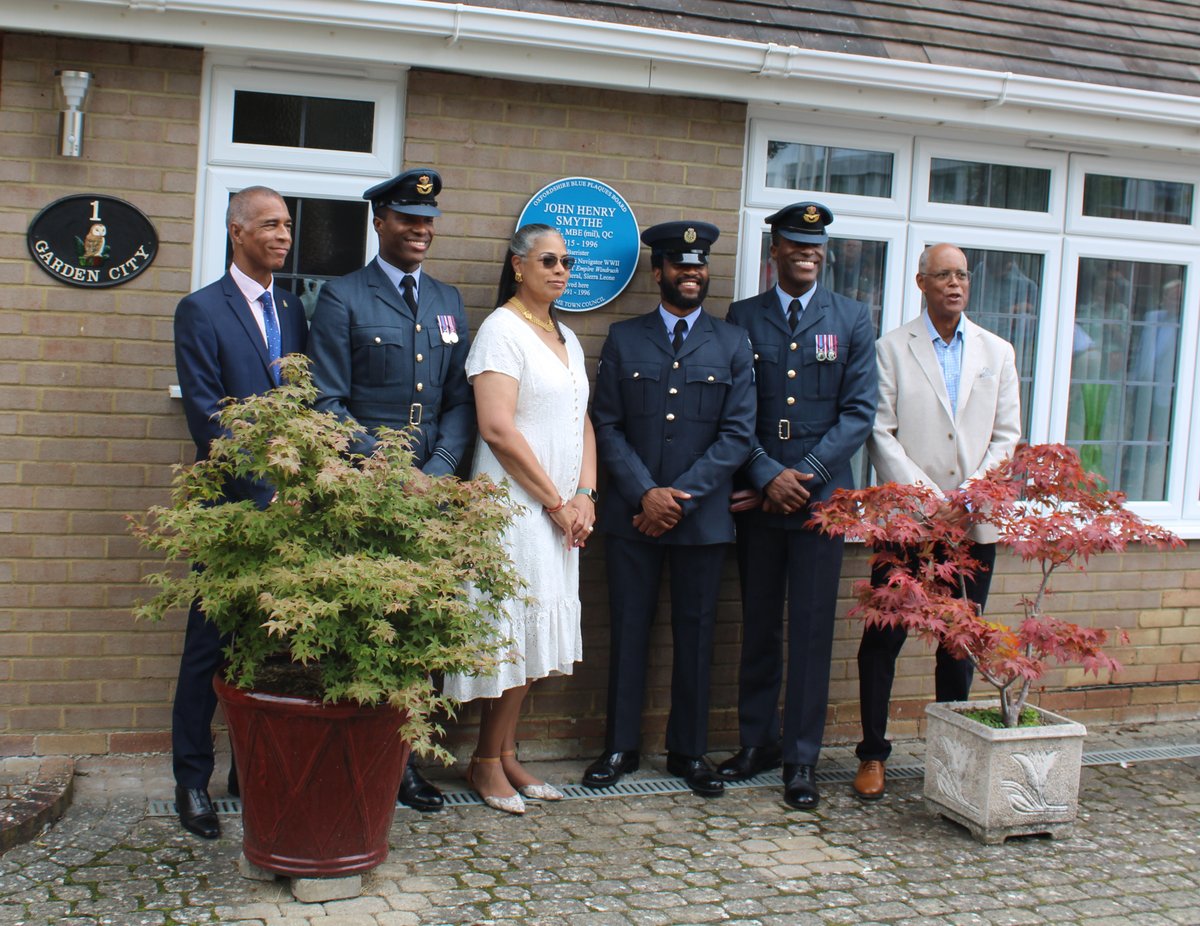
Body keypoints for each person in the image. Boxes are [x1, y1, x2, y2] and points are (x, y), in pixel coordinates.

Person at [307, 168, 472, 812]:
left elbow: (460, 399)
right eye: (408, 218)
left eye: (428, 220)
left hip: (429, 493)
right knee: (370, 627)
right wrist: (389, 467)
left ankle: (402, 764)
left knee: (422, 628)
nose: (420, 230)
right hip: (367, 493)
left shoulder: (449, 300)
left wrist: (438, 470)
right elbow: (326, 398)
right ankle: (359, 757)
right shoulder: (343, 297)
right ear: (381, 223)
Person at [584, 221, 756, 798]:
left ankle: (689, 751)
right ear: (658, 272)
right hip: (632, 517)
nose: (692, 274)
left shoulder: (731, 342)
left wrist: (676, 498)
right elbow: (605, 423)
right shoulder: (625, 337)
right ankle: (619, 746)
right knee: (628, 630)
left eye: (699, 265)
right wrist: (644, 494)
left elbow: (737, 435)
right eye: (680, 265)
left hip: (700, 519)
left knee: (697, 634)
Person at [722, 202, 877, 811]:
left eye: (816, 245)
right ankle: (756, 742)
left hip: (820, 506)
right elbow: (736, 408)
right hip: (760, 501)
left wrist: (804, 475)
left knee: (811, 632)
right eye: (796, 243)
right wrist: (764, 474)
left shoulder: (852, 318)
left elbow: (859, 412)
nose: (808, 252)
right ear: (775, 251)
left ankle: (802, 757)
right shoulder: (743, 317)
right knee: (758, 624)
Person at [853, 242, 1020, 801]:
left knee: (958, 644)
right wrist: (931, 501)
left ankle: (951, 761)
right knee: (883, 641)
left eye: (963, 275)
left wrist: (967, 499)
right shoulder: (891, 349)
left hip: (972, 527)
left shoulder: (997, 352)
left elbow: (1007, 437)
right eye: (943, 275)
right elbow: (880, 432)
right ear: (921, 282)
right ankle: (873, 754)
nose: (955, 284)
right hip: (908, 526)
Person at [442, 224, 596, 814]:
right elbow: (497, 428)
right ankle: (483, 761)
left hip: (560, 510)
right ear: (518, 265)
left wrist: (586, 494)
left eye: (567, 261)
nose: (560, 269)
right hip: (513, 508)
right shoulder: (501, 332)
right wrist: (556, 503)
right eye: (548, 260)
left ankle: (505, 753)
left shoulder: (566, 336)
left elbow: (583, 421)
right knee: (510, 632)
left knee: (533, 636)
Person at [172, 186, 308, 838]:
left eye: (287, 225)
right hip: (232, 509)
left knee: (265, 646)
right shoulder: (200, 311)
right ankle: (191, 782)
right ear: (237, 231)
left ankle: (246, 773)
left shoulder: (292, 307)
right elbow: (208, 418)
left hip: (290, 511)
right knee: (210, 646)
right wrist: (265, 492)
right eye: (271, 225)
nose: (283, 235)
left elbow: (304, 405)